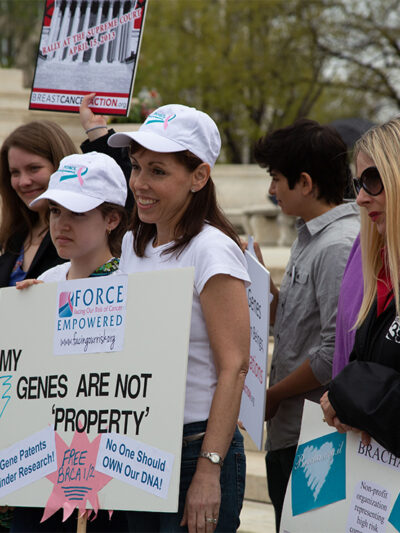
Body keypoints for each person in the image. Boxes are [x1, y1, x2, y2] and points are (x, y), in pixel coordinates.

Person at [107, 104, 250, 532]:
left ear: (199, 176)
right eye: (136, 168)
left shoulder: (212, 249)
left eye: (158, 171)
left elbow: (234, 366)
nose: (139, 184)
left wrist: (209, 470)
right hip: (138, 446)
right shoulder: (134, 243)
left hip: (194, 449)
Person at [12, 151, 129, 532]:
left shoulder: (135, 287)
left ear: (111, 219)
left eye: (76, 213)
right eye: (55, 212)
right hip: (39, 468)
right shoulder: (46, 281)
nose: (61, 224)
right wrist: (25, 320)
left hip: (108, 475)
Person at [253, 118, 360, 532]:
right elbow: (296, 324)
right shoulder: (309, 236)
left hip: (314, 438)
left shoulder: (337, 245)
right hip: (293, 434)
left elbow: (334, 351)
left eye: (276, 178)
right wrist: (262, 286)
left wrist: (274, 395)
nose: (271, 190)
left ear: (306, 182)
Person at [321, 118, 400, 457]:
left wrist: (351, 393)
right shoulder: (377, 266)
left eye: (372, 181)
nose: (361, 199)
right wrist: (344, 404)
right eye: (358, 183)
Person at [0, 121, 76, 287]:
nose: (24, 182)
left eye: (34, 168)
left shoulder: (80, 234)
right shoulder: (12, 236)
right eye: (15, 173)